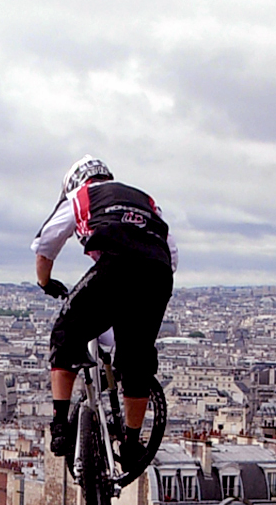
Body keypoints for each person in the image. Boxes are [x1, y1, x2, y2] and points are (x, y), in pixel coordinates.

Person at [31, 155, 178, 466]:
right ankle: (132, 443)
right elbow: (171, 250)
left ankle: (58, 426)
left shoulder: (80, 196)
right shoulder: (146, 200)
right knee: (136, 358)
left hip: (117, 263)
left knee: (66, 333)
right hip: (158, 272)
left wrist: (45, 282)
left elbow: (47, 242)